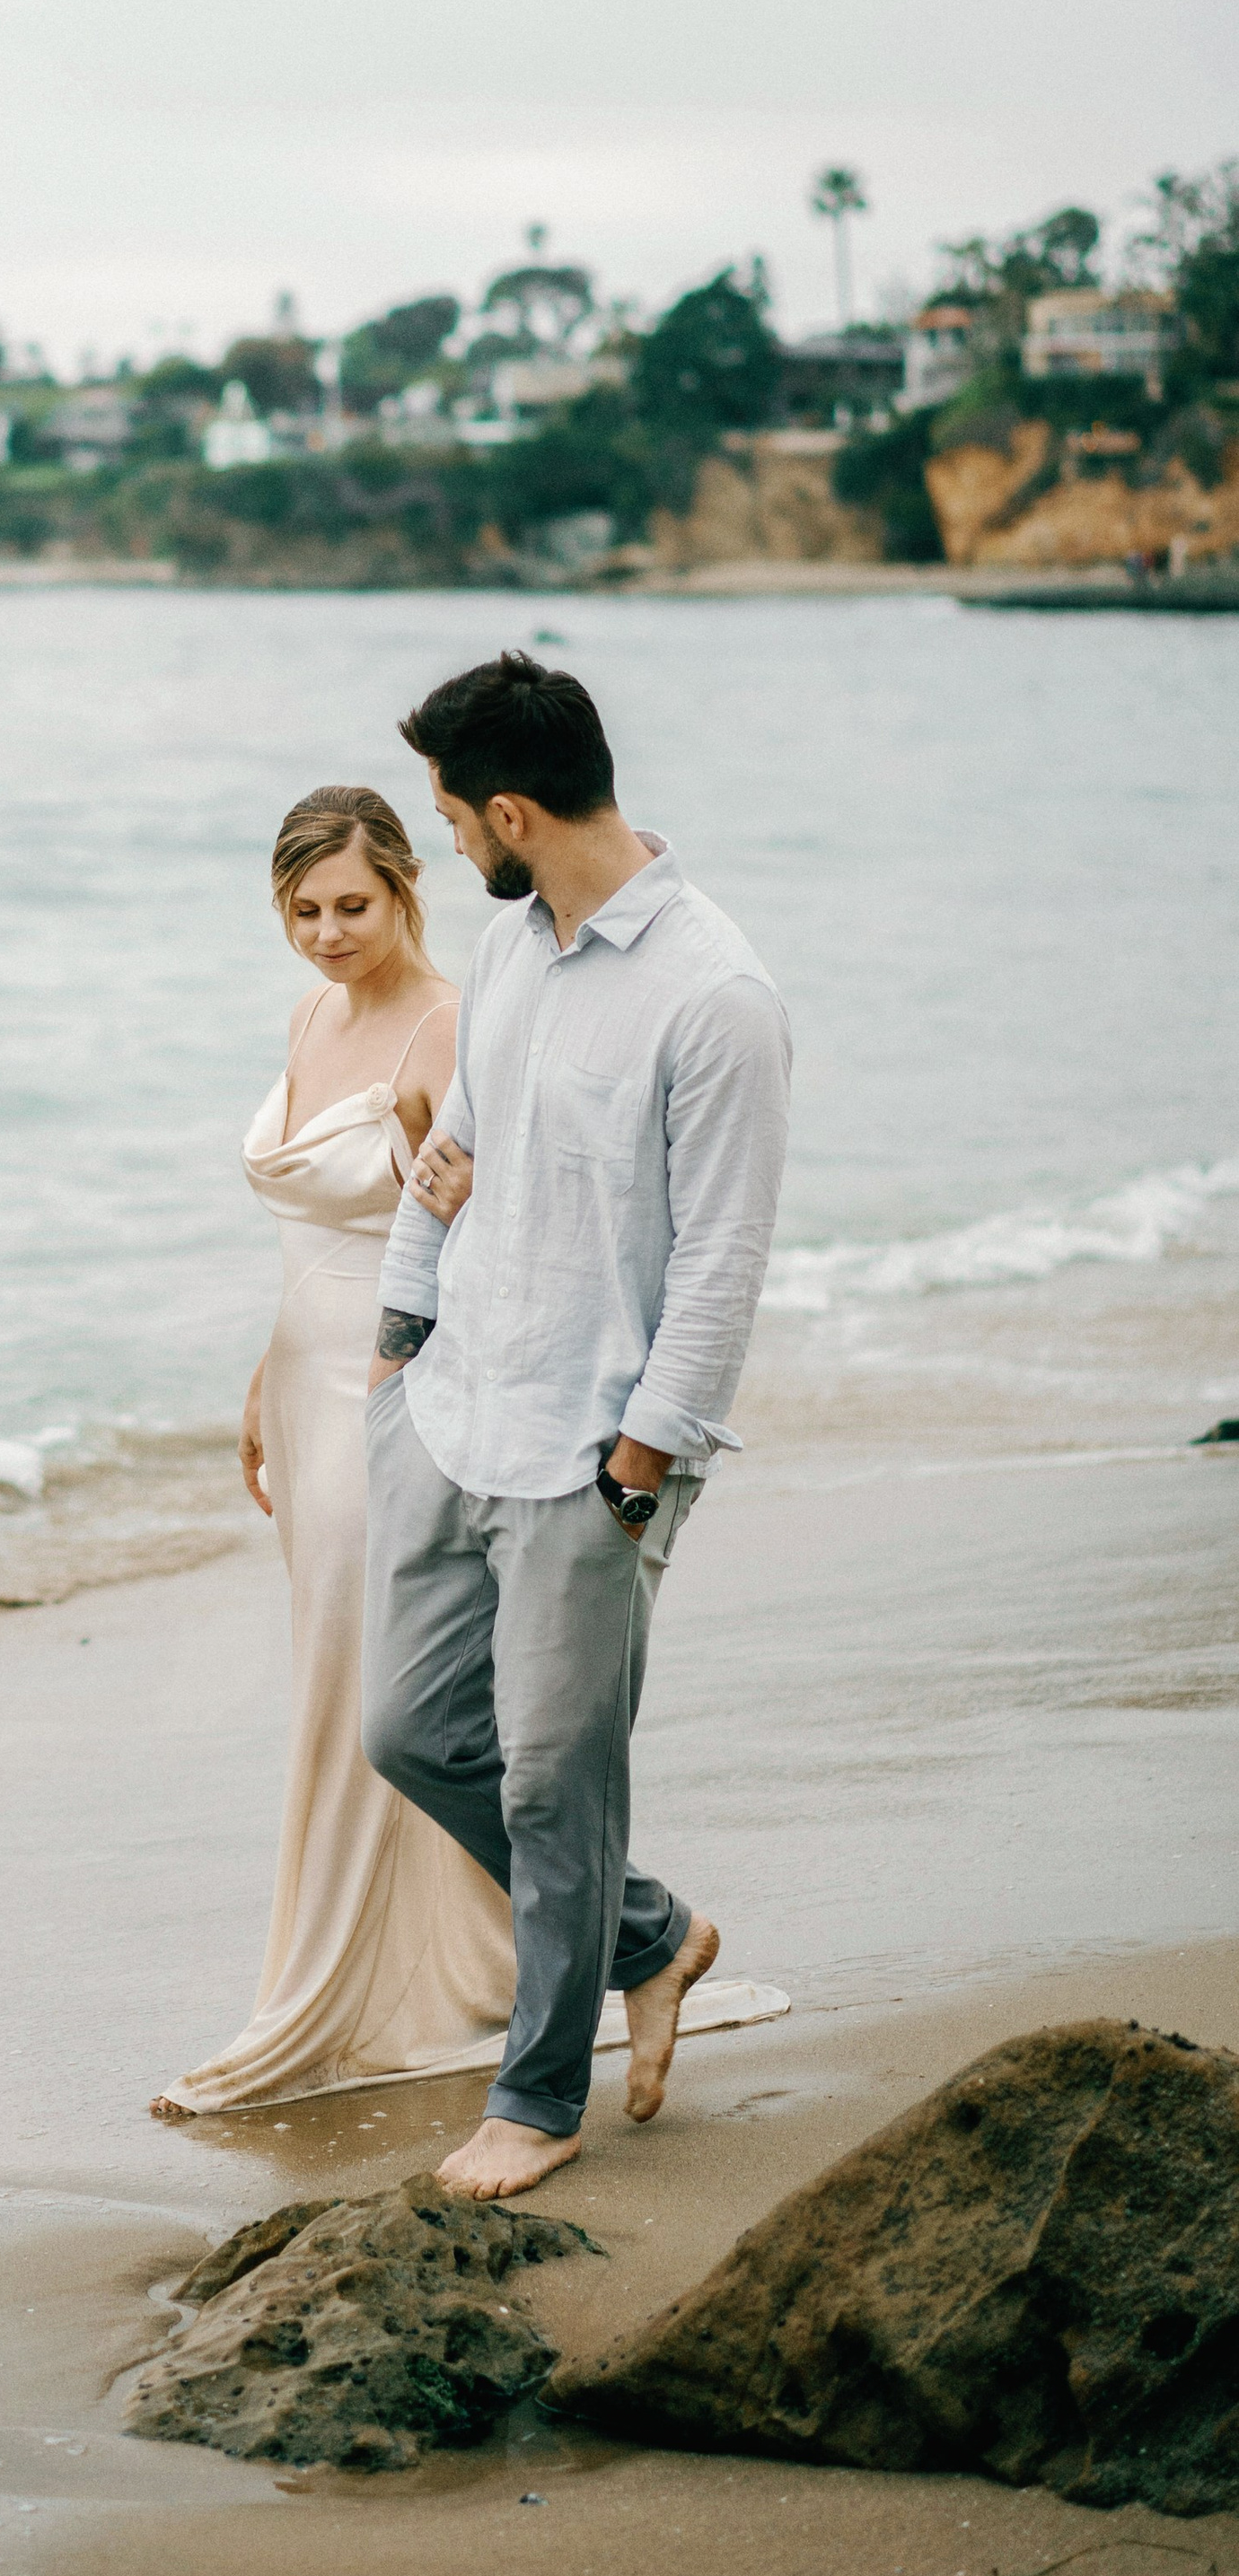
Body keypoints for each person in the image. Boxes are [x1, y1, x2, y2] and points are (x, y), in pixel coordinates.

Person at [364, 652, 792, 2201]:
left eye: (449, 817)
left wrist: (638, 1469)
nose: (445, 843)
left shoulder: (716, 994)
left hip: (592, 1457)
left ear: (512, 812)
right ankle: (651, 1936)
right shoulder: (510, 952)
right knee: (412, 1732)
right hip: (452, 1403)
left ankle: (539, 2100)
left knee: (557, 1783)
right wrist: (395, 1342)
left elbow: (723, 1263)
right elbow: (458, 1152)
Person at [153, 787, 518, 2119]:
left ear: (407, 883)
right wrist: (265, 1373)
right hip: (304, 1384)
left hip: (395, 1386)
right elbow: (305, 1239)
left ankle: (344, 1992)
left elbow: (484, 1238)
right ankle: (417, 1962)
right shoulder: (311, 1015)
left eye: (352, 905)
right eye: (302, 910)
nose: (326, 933)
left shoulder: (453, 1025)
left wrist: (414, 1389)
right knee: (331, 1660)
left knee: (367, 1681)